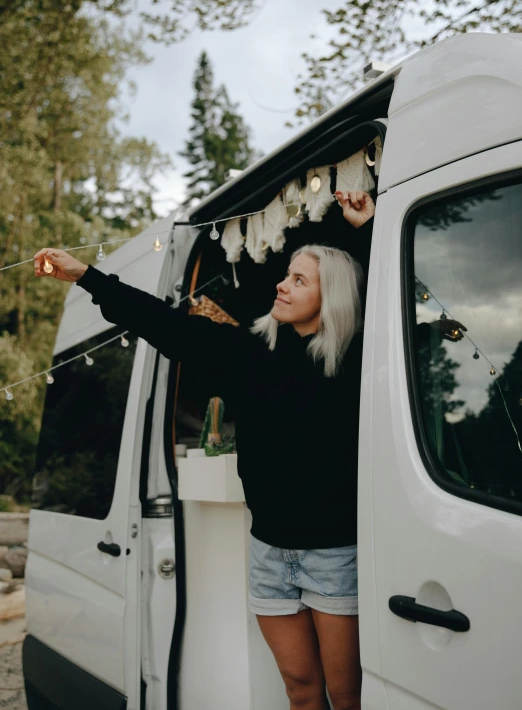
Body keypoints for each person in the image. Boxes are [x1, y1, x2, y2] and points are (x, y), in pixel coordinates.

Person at [32, 190, 375, 710]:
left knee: (348, 697)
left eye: (299, 280)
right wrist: (86, 276)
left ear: (334, 299)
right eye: (286, 274)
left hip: (335, 555)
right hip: (268, 553)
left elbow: (400, 296)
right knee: (301, 691)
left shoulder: (354, 364)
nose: (281, 285)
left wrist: (368, 229)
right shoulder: (250, 355)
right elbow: (163, 324)